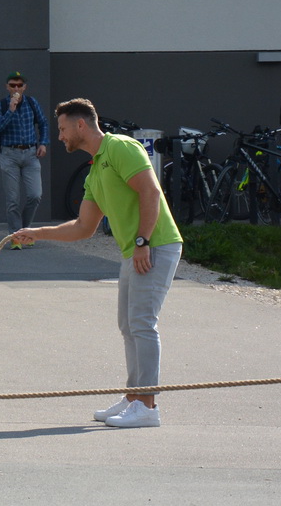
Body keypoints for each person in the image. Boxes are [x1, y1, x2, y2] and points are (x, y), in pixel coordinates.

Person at [9, 98, 183, 429]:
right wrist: (37, 233)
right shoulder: (94, 171)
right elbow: (82, 227)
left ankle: (147, 407)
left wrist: (143, 241)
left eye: (62, 129)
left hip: (155, 245)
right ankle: (133, 397)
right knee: (128, 326)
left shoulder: (120, 147)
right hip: (136, 249)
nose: (60, 136)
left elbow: (150, 192)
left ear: (81, 125)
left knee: (142, 323)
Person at [0, 71, 48, 246]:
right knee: (13, 200)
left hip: (30, 153)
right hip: (9, 154)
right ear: (7, 87)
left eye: (19, 85)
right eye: (12, 85)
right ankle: (16, 237)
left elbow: (43, 123)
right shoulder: (0, 105)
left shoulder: (32, 102)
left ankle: (25, 230)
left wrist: (43, 143)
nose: (16, 88)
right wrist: (10, 111)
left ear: (24, 87)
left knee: (35, 195)